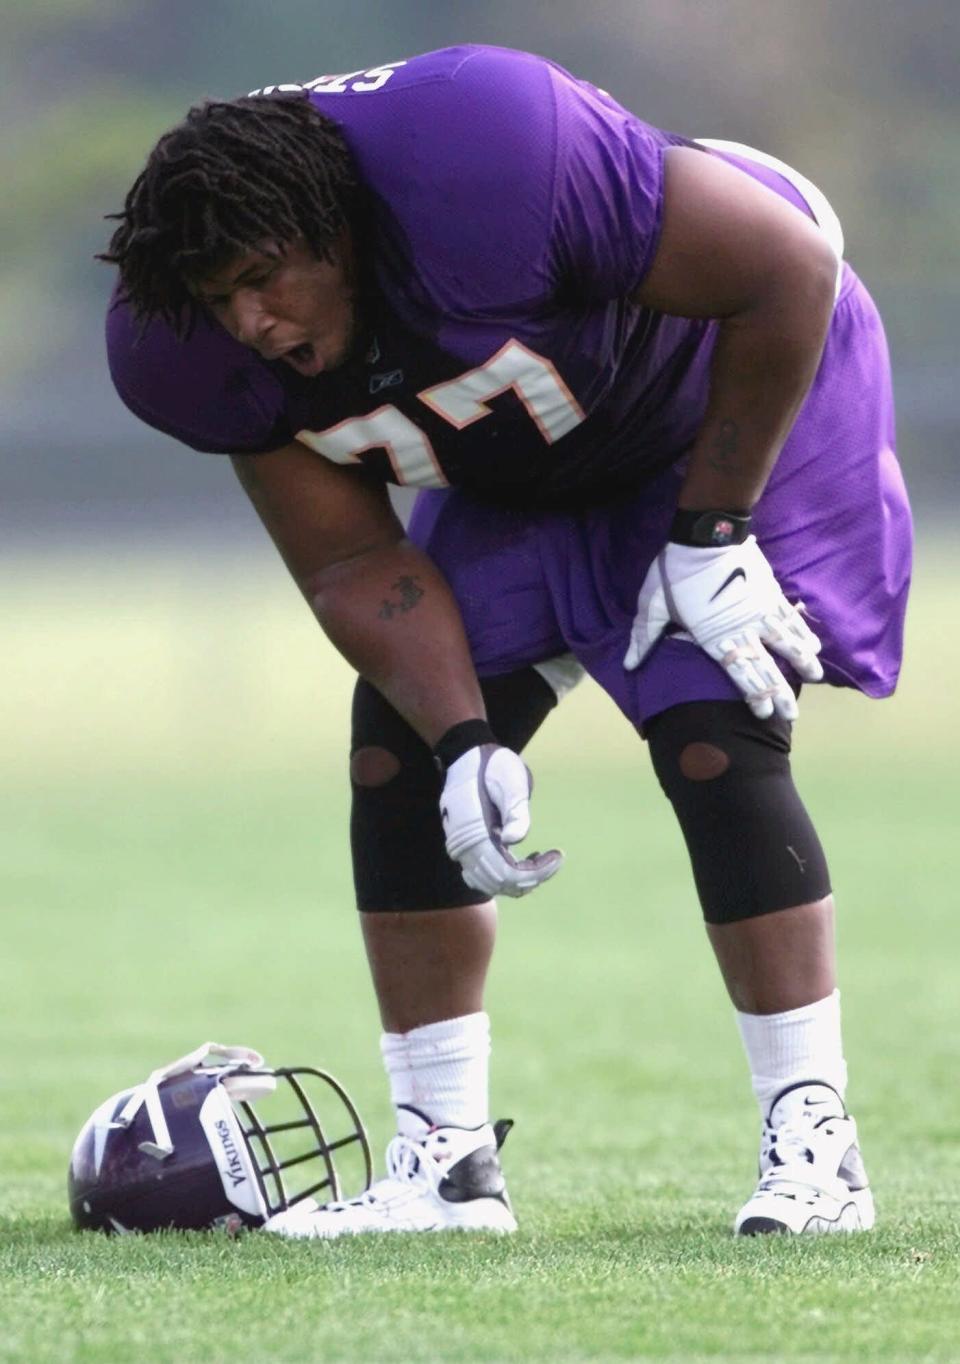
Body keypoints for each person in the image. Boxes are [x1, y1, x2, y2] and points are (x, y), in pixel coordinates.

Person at [102, 44, 911, 1237]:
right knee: (401, 755)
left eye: (265, 278)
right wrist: (468, 736)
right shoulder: (187, 344)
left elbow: (788, 265)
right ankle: (446, 1164)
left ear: (338, 228)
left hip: (714, 400)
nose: (252, 321)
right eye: (221, 299)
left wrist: (712, 528)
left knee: (707, 722)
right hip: (521, 456)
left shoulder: (483, 149)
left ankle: (817, 1146)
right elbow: (349, 561)